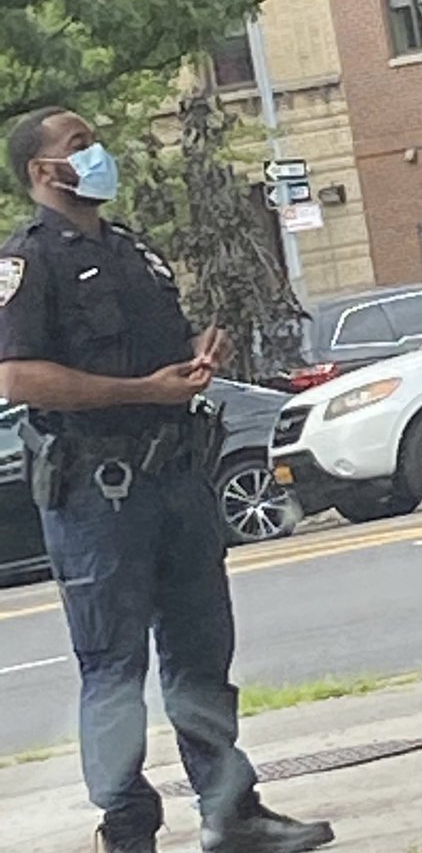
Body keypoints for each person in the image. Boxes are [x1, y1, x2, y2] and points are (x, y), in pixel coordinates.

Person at [0, 109, 333, 853]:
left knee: (201, 652)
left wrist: (190, 365)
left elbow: (153, 362)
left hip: (176, 480)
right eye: (79, 146)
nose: (97, 155)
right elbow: (20, 376)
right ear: (41, 172)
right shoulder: (30, 261)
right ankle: (126, 828)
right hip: (97, 493)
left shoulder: (131, 252)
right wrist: (142, 392)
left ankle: (230, 811)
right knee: (113, 666)